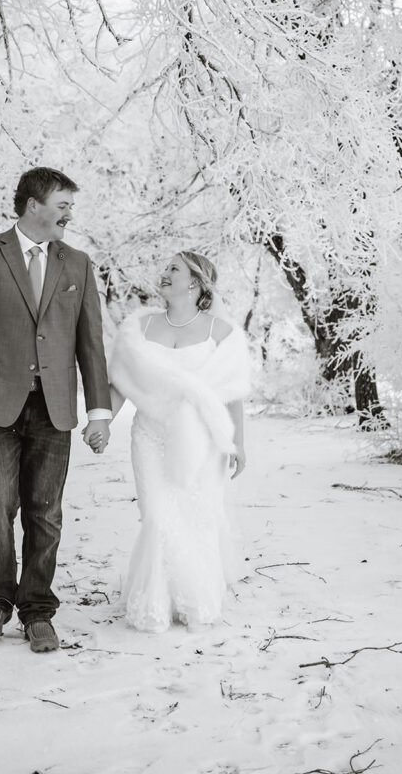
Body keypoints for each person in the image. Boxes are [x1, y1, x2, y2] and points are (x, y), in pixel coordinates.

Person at [0, 167, 112, 653]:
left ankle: (37, 608)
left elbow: (91, 344)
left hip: (54, 409)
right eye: (62, 205)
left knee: (46, 512)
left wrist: (99, 412)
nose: (69, 214)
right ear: (33, 205)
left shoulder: (77, 264)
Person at [107, 251, 250, 633]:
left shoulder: (220, 332)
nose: (164, 274)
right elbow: (122, 381)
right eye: (166, 268)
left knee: (196, 517)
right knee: (156, 516)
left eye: (174, 269)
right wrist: (100, 420)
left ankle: (194, 600)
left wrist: (237, 443)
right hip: (150, 435)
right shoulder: (140, 328)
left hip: (202, 439)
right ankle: (153, 603)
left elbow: (232, 392)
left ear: (195, 283)